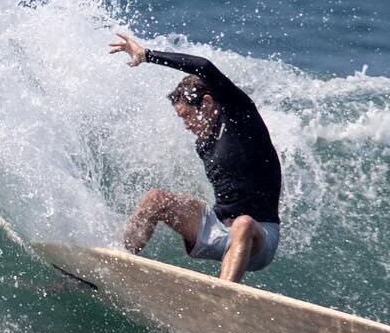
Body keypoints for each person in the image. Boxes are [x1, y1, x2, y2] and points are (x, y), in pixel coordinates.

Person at [109, 33, 282, 283]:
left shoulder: (241, 119)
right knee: (154, 199)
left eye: (187, 116)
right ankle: (114, 262)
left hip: (259, 237)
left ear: (208, 103)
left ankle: (223, 299)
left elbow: (204, 67)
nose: (186, 125)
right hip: (217, 228)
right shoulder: (204, 140)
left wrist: (146, 55)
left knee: (243, 224)